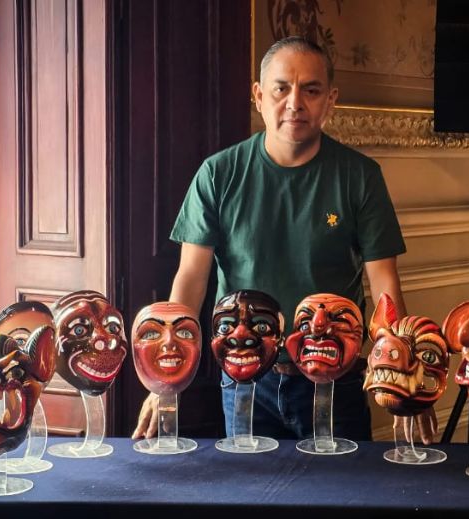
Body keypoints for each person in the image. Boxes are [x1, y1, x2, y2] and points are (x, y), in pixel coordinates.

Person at [132, 36, 436, 443]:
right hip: (244, 373)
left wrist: (402, 373)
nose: (295, 103)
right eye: (281, 89)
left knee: (343, 484)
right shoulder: (218, 174)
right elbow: (191, 279)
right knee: (250, 483)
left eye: (311, 90)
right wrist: (167, 376)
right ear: (259, 96)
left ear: (330, 100)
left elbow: (385, 286)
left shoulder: (360, 176)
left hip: (335, 376)